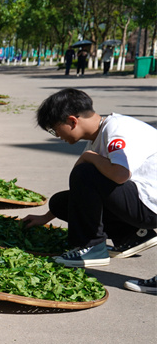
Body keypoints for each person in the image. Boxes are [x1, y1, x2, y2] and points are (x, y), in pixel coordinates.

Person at [23, 88, 157, 270]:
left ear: (72, 121)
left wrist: (90, 157)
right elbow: (83, 195)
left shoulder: (116, 131)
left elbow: (120, 175)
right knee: (60, 202)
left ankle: (91, 247)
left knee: (86, 172)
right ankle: (132, 236)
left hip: (151, 203)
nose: (58, 136)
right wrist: (46, 217)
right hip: (140, 201)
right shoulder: (98, 137)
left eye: (55, 130)